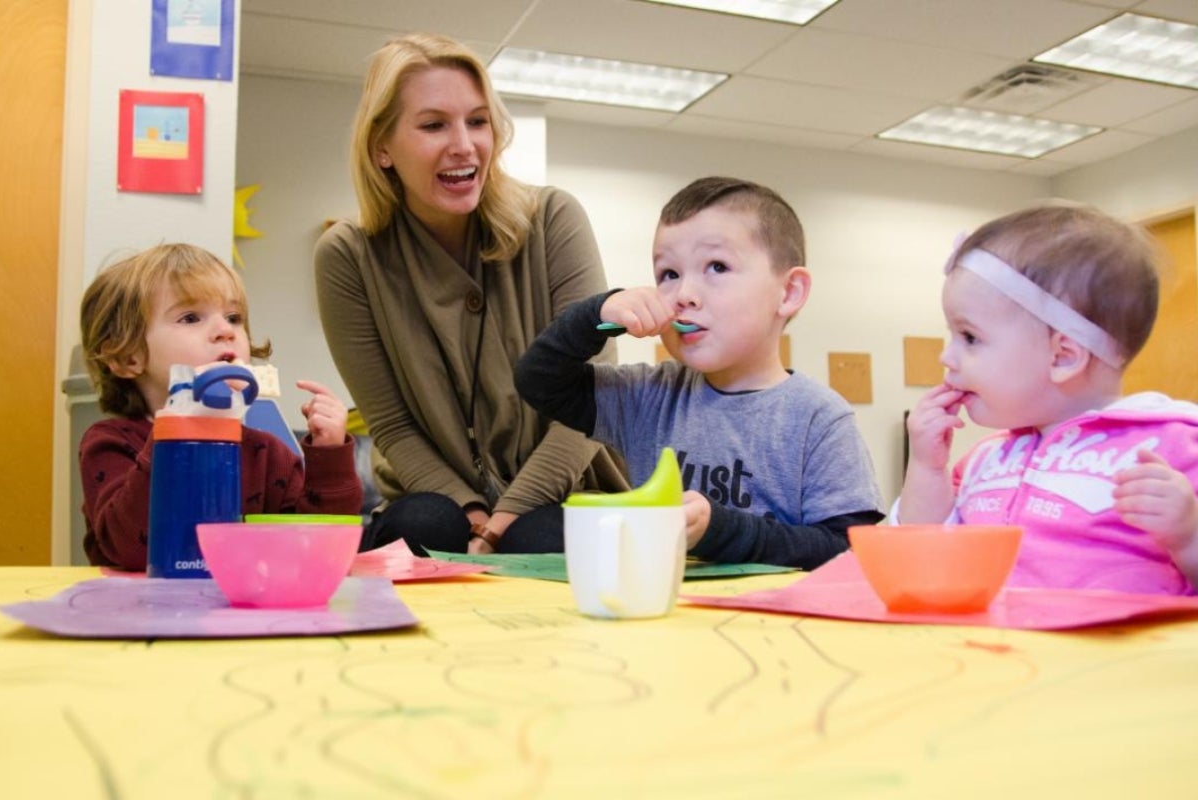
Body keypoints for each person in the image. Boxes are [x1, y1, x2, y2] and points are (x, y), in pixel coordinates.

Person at [314, 32, 627, 557]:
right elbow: (392, 425)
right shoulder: (347, 256)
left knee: (539, 537)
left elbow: (598, 391)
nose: (464, 144)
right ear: (381, 148)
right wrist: (472, 510)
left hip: (568, 486)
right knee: (425, 527)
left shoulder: (553, 219)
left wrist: (508, 515)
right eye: (434, 124)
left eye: (477, 121)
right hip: (435, 494)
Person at [515, 176, 884, 567]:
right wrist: (599, 315)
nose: (684, 294)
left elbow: (850, 550)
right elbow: (538, 380)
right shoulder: (650, 395)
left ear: (788, 293)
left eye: (717, 267)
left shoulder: (819, 418)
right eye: (669, 274)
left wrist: (723, 532)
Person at [897, 203, 1198, 595]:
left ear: (1064, 356)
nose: (946, 357)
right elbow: (922, 551)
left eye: (969, 337)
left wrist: (1188, 534)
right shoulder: (987, 460)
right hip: (992, 649)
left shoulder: (1174, 446)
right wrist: (926, 468)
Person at [79, 244, 362, 571]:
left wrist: (329, 455)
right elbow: (127, 551)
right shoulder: (110, 444)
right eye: (190, 317)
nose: (225, 331)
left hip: (240, 616)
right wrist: (177, 425)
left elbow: (314, 555)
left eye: (234, 317)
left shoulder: (266, 454)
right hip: (140, 616)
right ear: (127, 357)